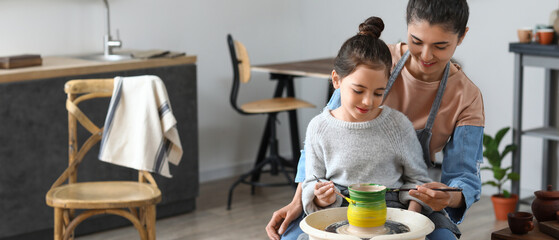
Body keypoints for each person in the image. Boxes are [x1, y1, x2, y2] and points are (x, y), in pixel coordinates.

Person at [265, 0, 484, 239]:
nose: (425, 55)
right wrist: (300, 200)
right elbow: (322, 137)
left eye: (440, 46)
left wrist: (448, 197)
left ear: (462, 36)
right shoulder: (374, 59)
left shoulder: (468, 97)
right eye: (417, 41)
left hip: (407, 199)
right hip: (340, 198)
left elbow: (464, 175)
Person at [302, 16, 431, 217]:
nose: (368, 102)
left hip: (391, 209)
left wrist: (412, 220)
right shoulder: (318, 127)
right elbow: (311, 181)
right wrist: (321, 198)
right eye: (358, 90)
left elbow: (418, 180)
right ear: (336, 80)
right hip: (338, 210)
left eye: (379, 93)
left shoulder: (397, 125)